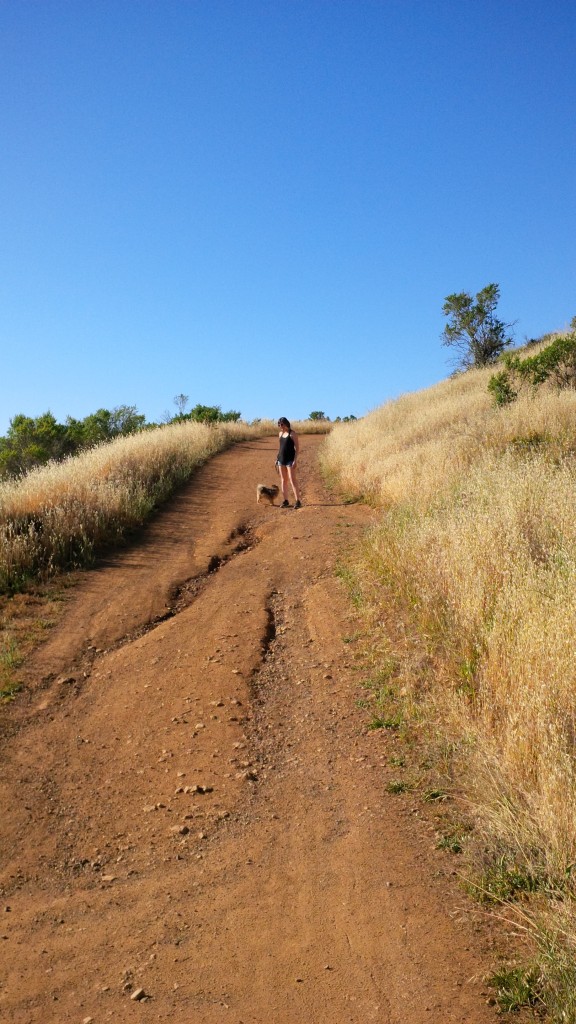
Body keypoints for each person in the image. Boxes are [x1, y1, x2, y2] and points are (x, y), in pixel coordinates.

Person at [276, 417, 302, 508]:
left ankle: (298, 501)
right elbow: (281, 448)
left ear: (286, 424)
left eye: (282, 424)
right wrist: (277, 458)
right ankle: (285, 500)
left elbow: (297, 448)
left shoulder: (292, 434)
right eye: (279, 424)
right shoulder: (280, 434)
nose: (280, 426)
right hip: (281, 460)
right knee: (283, 480)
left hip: (290, 460)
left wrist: (295, 460)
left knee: (292, 479)